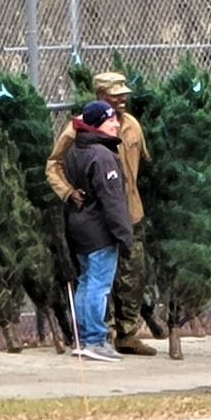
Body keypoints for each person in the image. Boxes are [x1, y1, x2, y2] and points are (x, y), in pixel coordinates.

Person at [46, 72, 156, 356]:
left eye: (123, 95)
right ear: (100, 97)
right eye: (115, 95)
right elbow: (54, 164)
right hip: (100, 216)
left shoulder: (131, 126)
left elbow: (144, 163)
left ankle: (126, 333)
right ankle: (97, 337)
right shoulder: (78, 132)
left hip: (130, 211)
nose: (122, 100)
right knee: (98, 279)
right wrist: (69, 192)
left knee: (132, 276)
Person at [63, 100, 134, 362]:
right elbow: (112, 201)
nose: (116, 124)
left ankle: (81, 338)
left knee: (85, 281)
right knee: (98, 285)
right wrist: (124, 235)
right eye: (110, 120)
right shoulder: (103, 157)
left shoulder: (75, 151)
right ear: (97, 124)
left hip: (79, 227)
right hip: (98, 231)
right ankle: (94, 340)